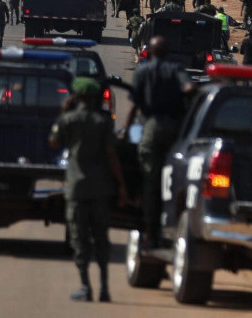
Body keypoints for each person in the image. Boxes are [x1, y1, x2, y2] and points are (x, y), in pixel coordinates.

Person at [49, 78, 127, 303]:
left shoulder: (69, 120)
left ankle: (86, 286)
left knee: (79, 238)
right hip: (101, 188)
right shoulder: (102, 122)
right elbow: (112, 155)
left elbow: (54, 141)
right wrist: (121, 186)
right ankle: (104, 287)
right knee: (101, 238)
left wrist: (63, 113)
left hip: (77, 188)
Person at [124, 36, 191, 249]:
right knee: (175, 178)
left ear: (150, 52)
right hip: (175, 129)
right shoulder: (175, 68)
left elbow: (134, 106)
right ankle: (173, 225)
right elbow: (188, 87)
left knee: (150, 182)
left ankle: (150, 233)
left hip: (150, 127)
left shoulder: (143, 71)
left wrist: (126, 132)